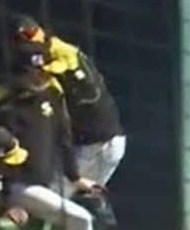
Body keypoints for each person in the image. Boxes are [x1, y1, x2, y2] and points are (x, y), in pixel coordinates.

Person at [0, 43, 98, 230]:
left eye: (41, 72)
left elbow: (64, 140)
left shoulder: (53, 96)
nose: (38, 77)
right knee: (81, 219)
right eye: (31, 73)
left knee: (92, 209)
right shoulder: (4, 105)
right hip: (16, 187)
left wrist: (75, 177)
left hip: (43, 184)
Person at [12, 15, 126, 191]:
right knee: (79, 198)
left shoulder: (63, 59)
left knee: (50, 197)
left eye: (30, 34)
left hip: (99, 145)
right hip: (98, 144)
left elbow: (85, 97)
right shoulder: (50, 68)